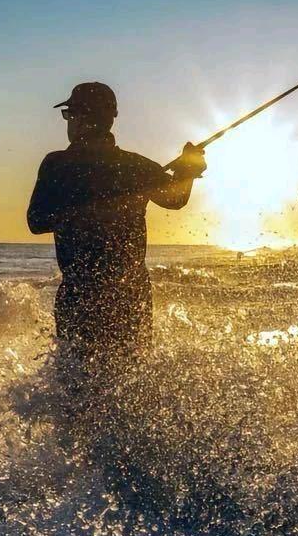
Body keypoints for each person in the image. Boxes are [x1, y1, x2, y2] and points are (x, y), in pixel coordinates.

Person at [27, 82, 206, 356]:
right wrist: (188, 170)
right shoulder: (136, 166)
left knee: (75, 374)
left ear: (80, 118)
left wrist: (77, 206)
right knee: (132, 371)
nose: (69, 122)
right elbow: (176, 199)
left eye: (69, 115)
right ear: (111, 118)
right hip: (131, 296)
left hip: (78, 295)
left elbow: (37, 221)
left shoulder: (57, 164)